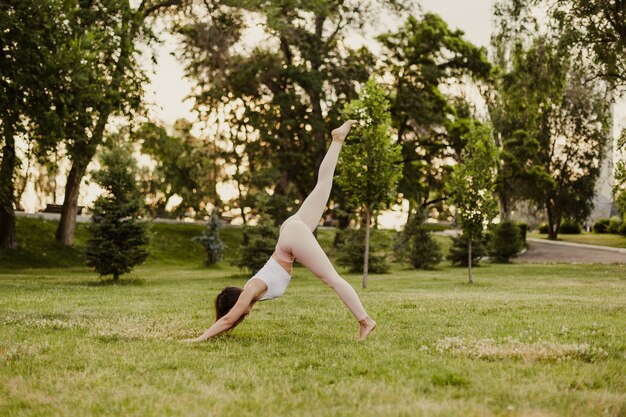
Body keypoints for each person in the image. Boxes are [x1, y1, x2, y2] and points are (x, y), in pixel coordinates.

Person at [184, 120, 377, 342]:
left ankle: (365, 321)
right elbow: (228, 321)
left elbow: (227, 320)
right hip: (290, 232)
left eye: (235, 311)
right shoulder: (252, 291)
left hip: (291, 238)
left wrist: (199, 339)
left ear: (235, 305)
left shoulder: (249, 292)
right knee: (323, 186)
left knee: (333, 279)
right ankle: (337, 140)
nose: (239, 317)